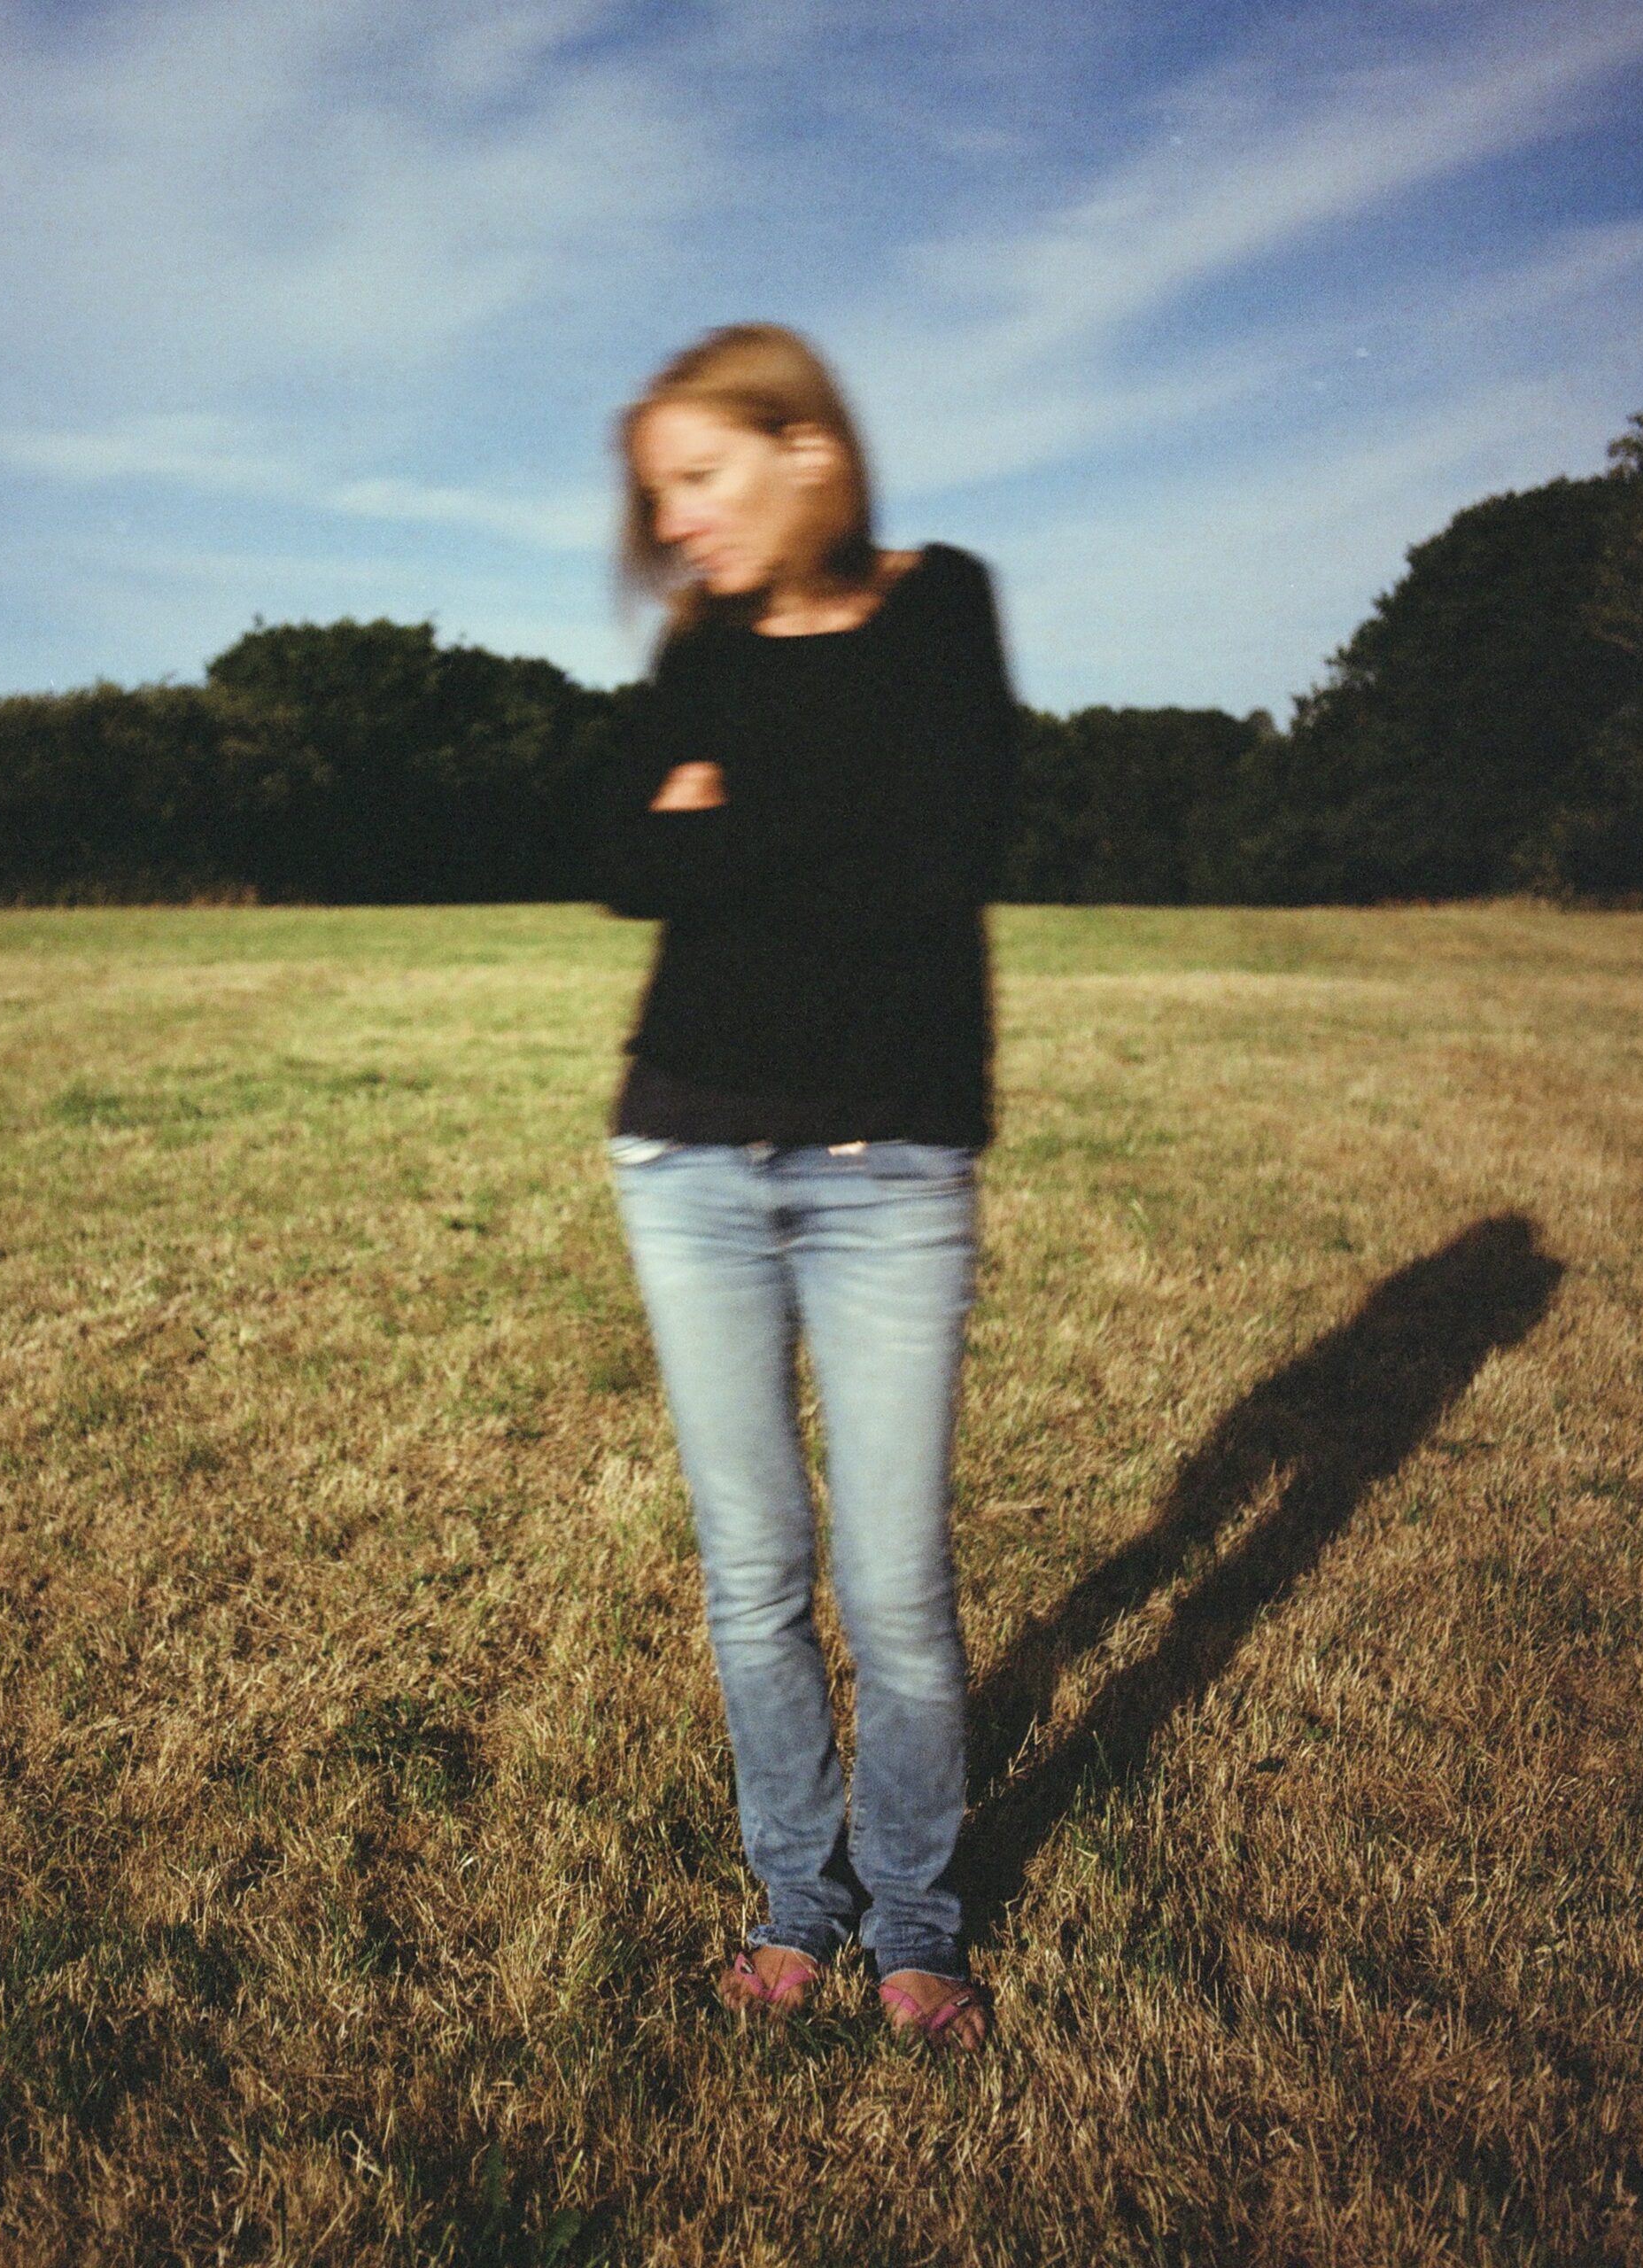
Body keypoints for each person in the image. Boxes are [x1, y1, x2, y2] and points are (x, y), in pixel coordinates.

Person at [598, 323, 1018, 2050]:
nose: (673, 524)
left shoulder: (941, 601)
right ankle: (794, 1899)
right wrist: (806, 814)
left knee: (894, 1584)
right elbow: (611, 855)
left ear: (808, 449)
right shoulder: (700, 641)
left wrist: (719, 814)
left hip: (889, 1160)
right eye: (658, 494)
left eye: (699, 477)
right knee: (752, 1567)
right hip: (682, 1149)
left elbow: (956, 836)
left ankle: (913, 1917)